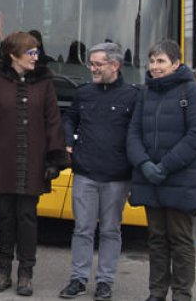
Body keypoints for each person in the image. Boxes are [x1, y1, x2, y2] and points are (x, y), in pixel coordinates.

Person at [0, 31, 68, 296]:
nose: (36, 57)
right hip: (2, 160)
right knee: (5, 217)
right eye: (30, 53)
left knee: (27, 218)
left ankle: (26, 273)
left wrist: (53, 159)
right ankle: (3, 271)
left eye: (37, 52)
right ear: (14, 55)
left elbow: (53, 121)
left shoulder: (45, 82)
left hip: (33, 162)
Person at [126, 40, 196, 301]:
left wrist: (165, 165)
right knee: (157, 239)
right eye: (152, 61)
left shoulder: (190, 91)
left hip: (180, 179)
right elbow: (134, 133)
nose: (155, 66)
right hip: (151, 178)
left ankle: (182, 294)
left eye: (161, 61)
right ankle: (157, 292)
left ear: (176, 64)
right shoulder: (146, 92)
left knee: (180, 240)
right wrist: (144, 163)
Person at [59, 42, 139, 301]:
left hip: (117, 177)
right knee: (82, 229)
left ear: (114, 65)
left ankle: (105, 281)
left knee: (109, 230)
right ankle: (78, 279)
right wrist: (68, 139)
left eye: (97, 64)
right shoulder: (84, 94)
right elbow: (70, 117)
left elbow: (138, 133)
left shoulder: (132, 96)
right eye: (90, 64)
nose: (92, 69)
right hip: (85, 173)